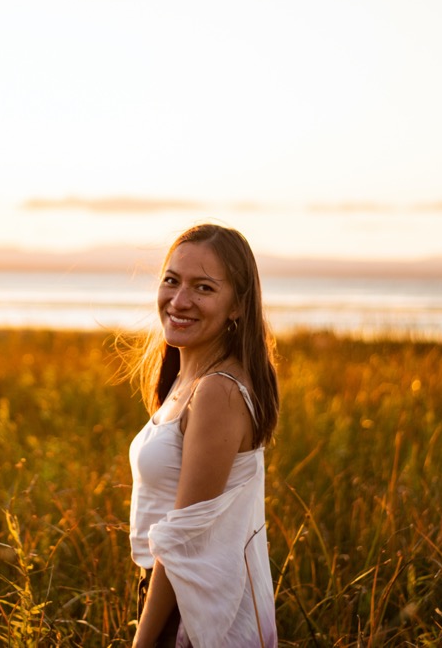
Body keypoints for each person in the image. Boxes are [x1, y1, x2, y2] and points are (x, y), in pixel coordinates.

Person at [126, 224, 280, 647]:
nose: (179, 300)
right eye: (171, 280)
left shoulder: (218, 392)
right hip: (167, 595)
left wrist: (142, 642)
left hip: (191, 614)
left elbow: (181, 541)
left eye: (204, 288)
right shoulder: (185, 379)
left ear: (236, 307)